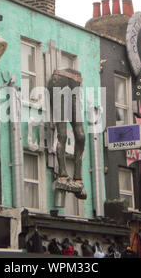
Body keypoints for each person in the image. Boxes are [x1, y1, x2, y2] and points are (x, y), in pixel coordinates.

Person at [48, 68, 86, 199]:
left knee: (81, 135)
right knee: (62, 134)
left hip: (75, 81)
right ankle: (63, 173)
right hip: (59, 80)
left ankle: (77, 177)